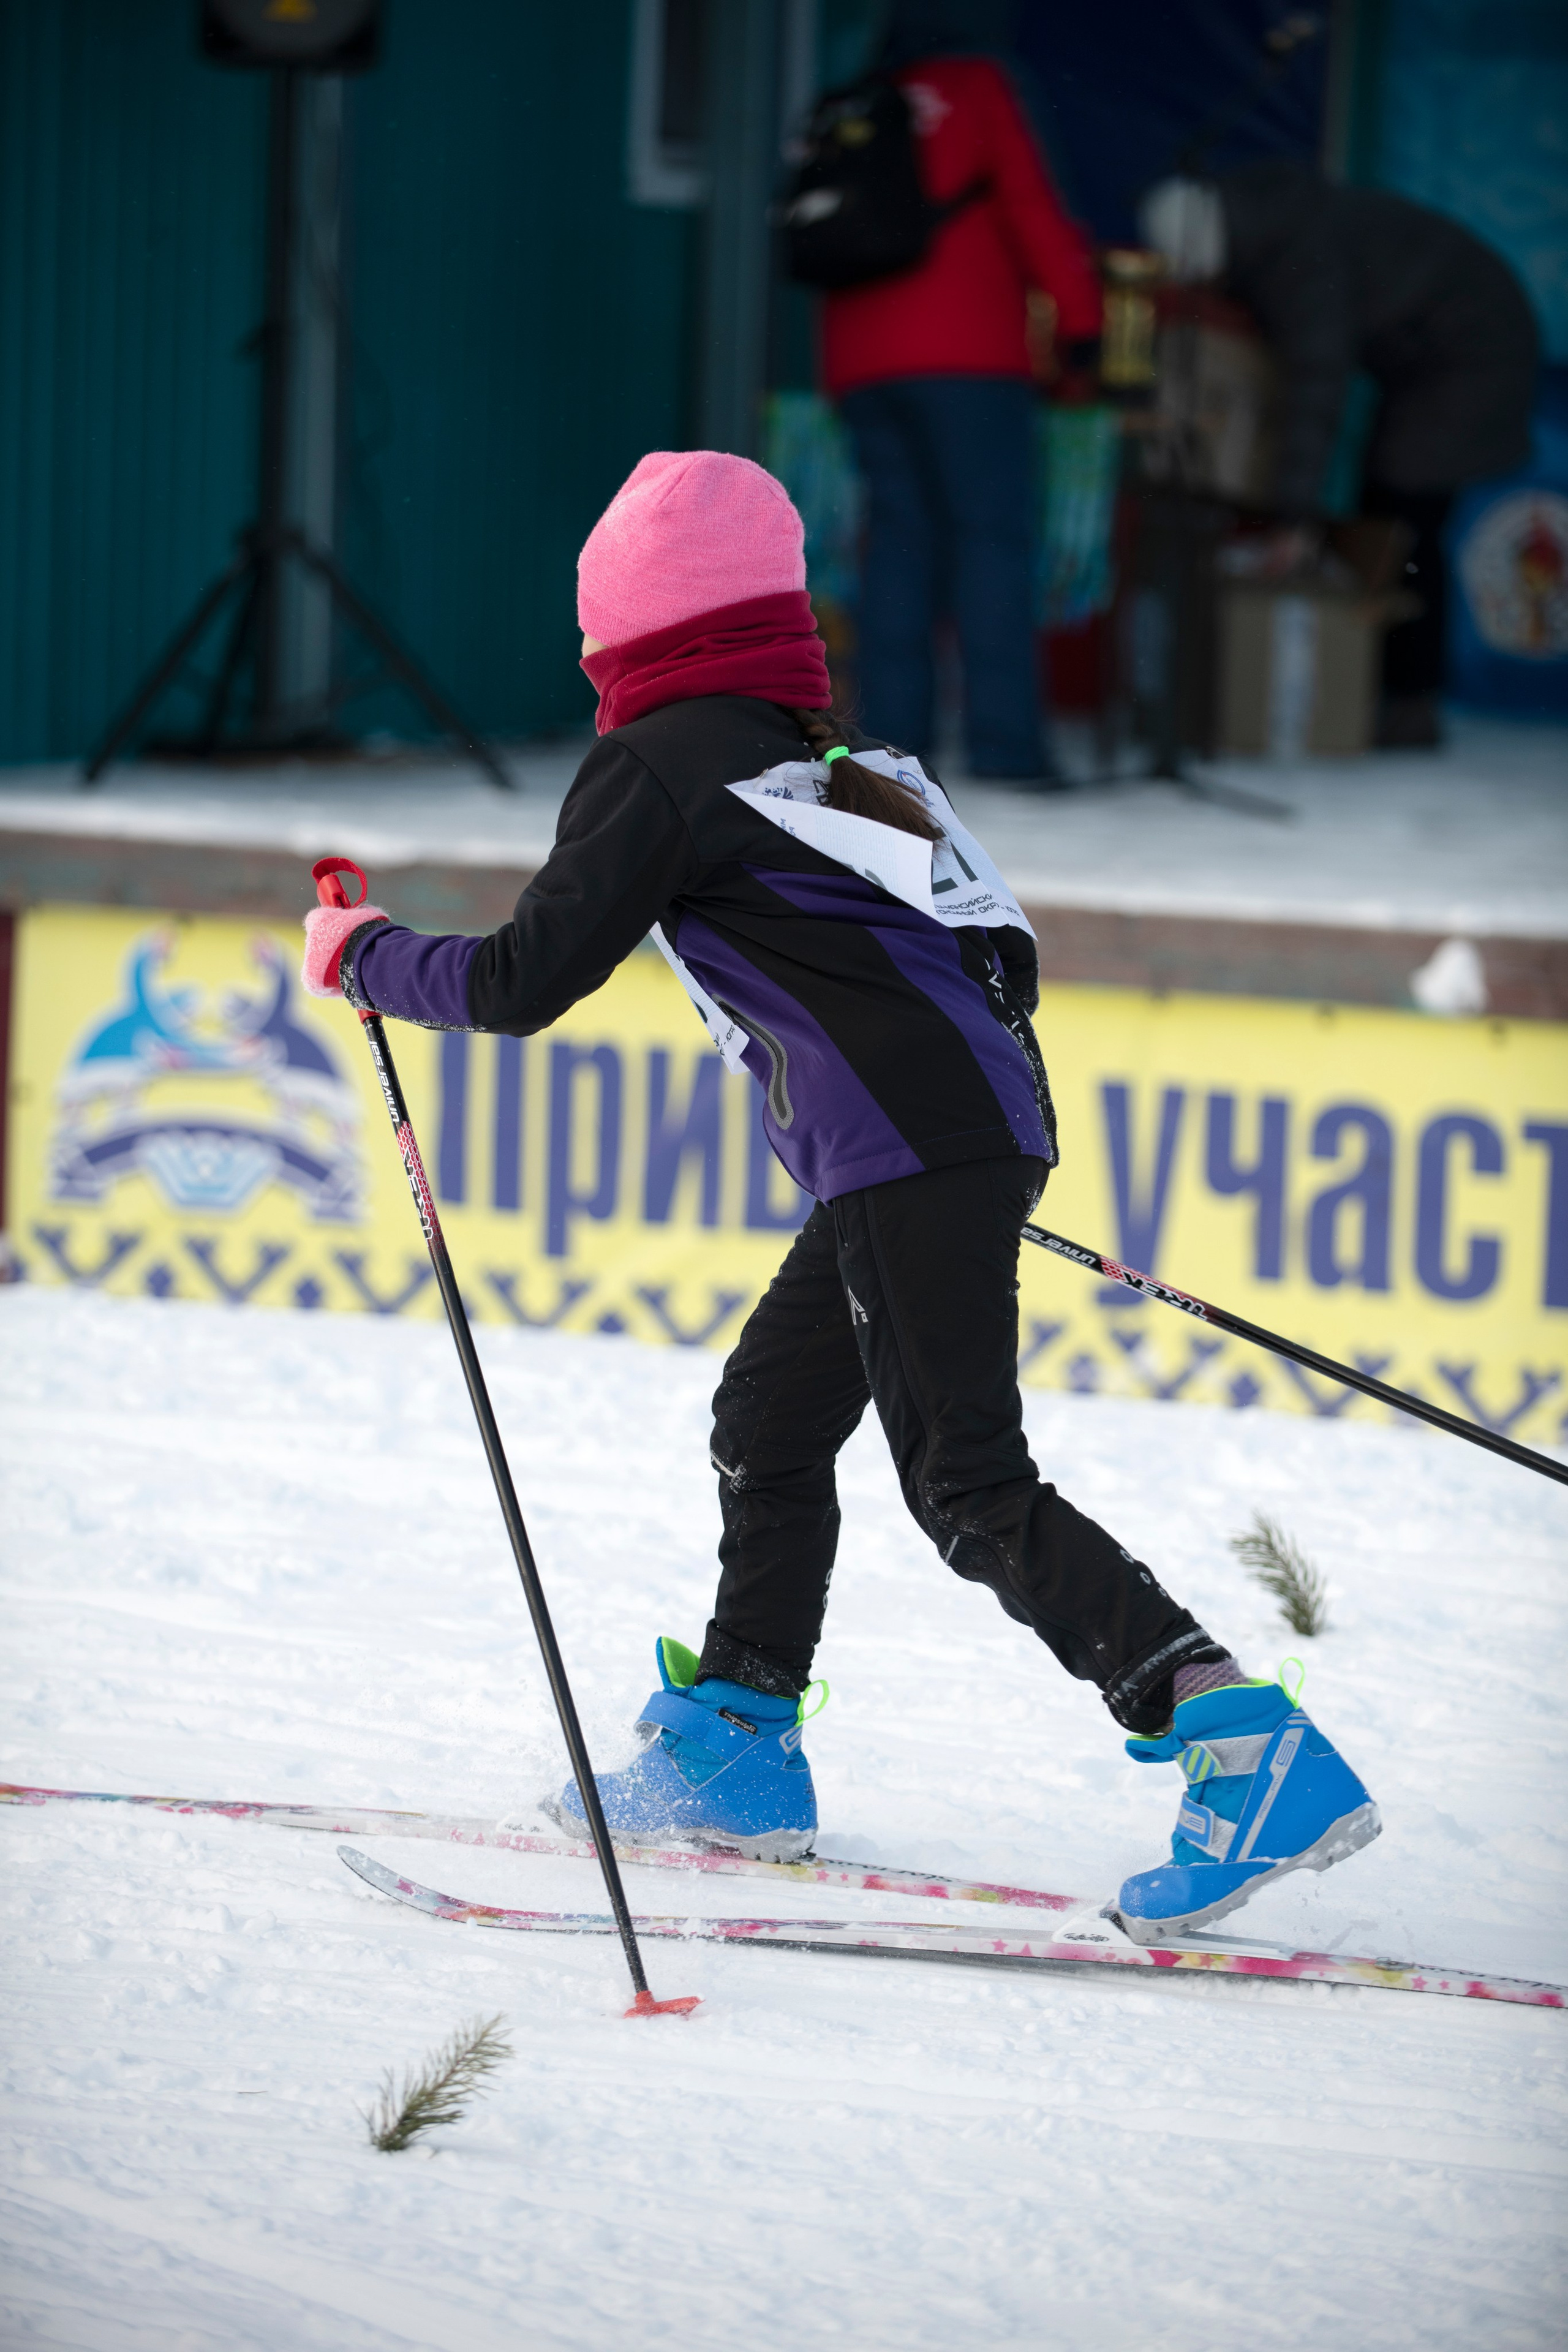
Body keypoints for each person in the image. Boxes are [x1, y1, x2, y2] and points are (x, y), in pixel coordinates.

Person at [301, 448, 1379, 1943]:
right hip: (954, 1134)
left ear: (634, 633)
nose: (586, 654)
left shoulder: (660, 761)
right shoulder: (847, 763)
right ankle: (739, 1739)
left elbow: (519, 977)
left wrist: (358, 952)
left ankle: (1238, 1736)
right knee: (769, 1414)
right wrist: (936, 1126)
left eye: (593, 627)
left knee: (963, 1479)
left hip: (908, 1151)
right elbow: (1003, 961)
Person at [1140, 164, 1541, 747]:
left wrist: (1292, 520)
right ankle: (1382, 694)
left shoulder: (1299, 263)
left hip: (1475, 359)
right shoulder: (1270, 216)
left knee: (1402, 526)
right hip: (1440, 355)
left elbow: (1315, 393)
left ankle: (1408, 707)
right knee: (1389, 514)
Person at [820, 23, 1102, 785]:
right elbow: (1029, 202)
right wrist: (1080, 320)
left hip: (861, 357)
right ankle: (1006, 747)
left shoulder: (856, 96)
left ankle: (888, 754)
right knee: (991, 545)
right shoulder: (978, 87)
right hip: (969, 355)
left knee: (898, 549)